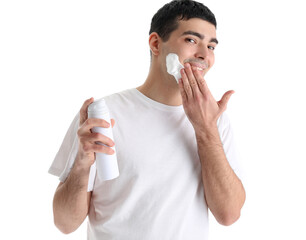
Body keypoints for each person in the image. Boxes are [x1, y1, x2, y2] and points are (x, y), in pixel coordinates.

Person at [48, 0, 246, 239]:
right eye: (192, 40)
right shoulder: (104, 114)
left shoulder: (216, 121)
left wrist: (205, 129)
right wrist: (81, 165)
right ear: (155, 43)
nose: (204, 56)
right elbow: (64, 223)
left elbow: (229, 215)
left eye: (211, 46)